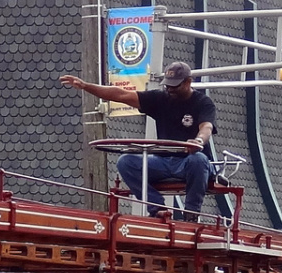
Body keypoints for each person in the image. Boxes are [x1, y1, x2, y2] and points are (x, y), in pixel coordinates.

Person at [59, 60, 217, 217]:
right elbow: (120, 94)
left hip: (189, 162)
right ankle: (156, 207)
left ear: (188, 82)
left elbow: (206, 128)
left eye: (175, 86)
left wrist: (198, 141)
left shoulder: (202, 102)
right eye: (168, 85)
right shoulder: (160, 99)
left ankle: (190, 214)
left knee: (199, 160)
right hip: (163, 162)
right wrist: (86, 86)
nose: (170, 89)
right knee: (126, 162)